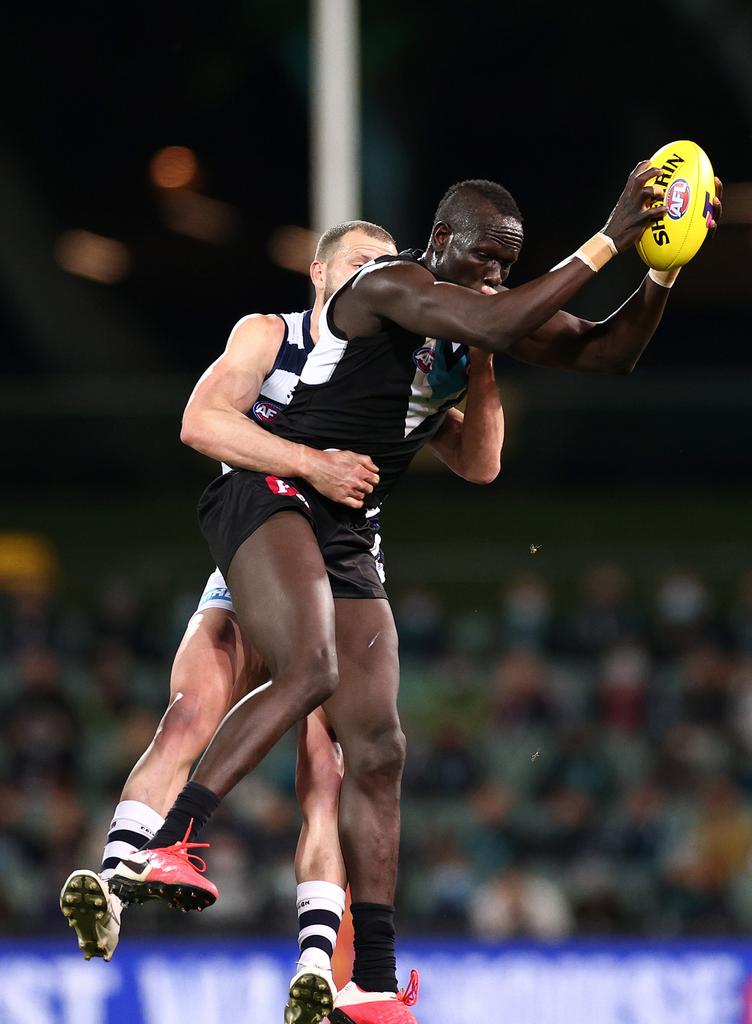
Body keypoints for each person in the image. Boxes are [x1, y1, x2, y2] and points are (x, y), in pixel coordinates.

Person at [109, 162, 723, 1024]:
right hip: (276, 489)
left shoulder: (476, 310)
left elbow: (608, 355)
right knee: (311, 668)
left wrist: (665, 264)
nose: (494, 278)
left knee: (381, 747)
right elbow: (502, 315)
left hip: (350, 525)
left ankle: (371, 978)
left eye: (506, 265)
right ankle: (169, 837)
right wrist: (615, 229)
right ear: (440, 245)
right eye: (482, 260)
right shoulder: (392, 282)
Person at [60, 219, 504, 1024]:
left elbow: (480, 463)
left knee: (337, 767)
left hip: (341, 570)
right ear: (319, 272)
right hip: (261, 551)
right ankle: (123, 873)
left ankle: (318, 964)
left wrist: (482, 356)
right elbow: (202, 424)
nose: (380, 277)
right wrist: (311, 463)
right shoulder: (273, 334)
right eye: (362, 264)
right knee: (194, 707)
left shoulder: (405, 368)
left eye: (388, 265)